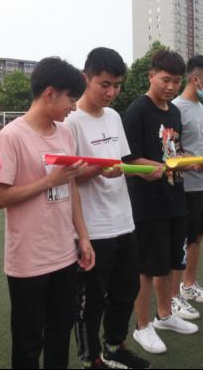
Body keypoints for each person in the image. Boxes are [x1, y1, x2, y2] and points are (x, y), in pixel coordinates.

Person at [0, 57, 95, 369]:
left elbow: (71, 188)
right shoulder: (11, 136)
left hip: (63, 254)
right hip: (28, 260)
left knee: (60, 334)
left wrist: (83, 237)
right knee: (28, 342)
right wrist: (48, 181)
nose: (73, 107)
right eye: (71, 99)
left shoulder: (65, 134)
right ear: (49, 93)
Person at [65, 47, 149, 369]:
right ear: (85, 78)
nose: (112, 92)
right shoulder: (70, 120)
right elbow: (64, 177)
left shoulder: (114, 117)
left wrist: (144, 170)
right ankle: (92, 358)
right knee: (91, 301)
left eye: (117, 85)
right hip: (92, 226)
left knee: (126, 290)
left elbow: (121, 163)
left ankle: (115, 346)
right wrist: (97, 170)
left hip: (123, 220)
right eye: (105, 84)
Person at [123, 49, 198, 355]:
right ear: (151, 76)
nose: (170, 86)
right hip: (148, 204)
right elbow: (128, 159)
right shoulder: (138, 110)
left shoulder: (174, 112)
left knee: (169, 263)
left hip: (175, 197)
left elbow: (173, 150)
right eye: (165, 79)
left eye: (176, 81)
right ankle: (142, 326)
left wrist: (190, 161)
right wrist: (158, 167)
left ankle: (164, 315)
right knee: (146, 268)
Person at [171, 55, 203, 305]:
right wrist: (197, 160)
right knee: (181, 242)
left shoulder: (200, 107)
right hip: (186, 188)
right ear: (195, 79)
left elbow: (202, 146)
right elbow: (172, 150)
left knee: (197, 238)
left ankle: (189, 285)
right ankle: (173, 297)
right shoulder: (176, 108)